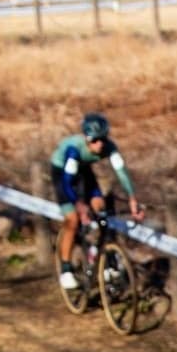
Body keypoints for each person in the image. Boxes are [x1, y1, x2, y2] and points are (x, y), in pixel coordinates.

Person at [52, 112, 144, 292]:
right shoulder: (74, 150)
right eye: (95, 140)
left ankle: (105, 259)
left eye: (103, 139)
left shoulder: (110, 147)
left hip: (83, 169)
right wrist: (79, 205)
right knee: (72, 219)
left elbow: (121, 172)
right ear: (87, 139)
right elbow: (67, 183)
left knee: (100, 207)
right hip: (63, 173)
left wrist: (132, 198)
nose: (100, 144)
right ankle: (66, 269)